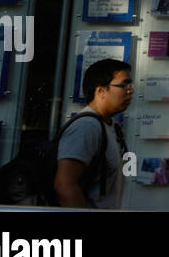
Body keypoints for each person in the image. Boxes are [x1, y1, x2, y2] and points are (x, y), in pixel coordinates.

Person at [54, 58, 133, 208]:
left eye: (130, 85)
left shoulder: (111, 126)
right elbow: (64, 185)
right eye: (124, 85)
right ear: (101, 91)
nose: (130, 90)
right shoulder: (86, 127)